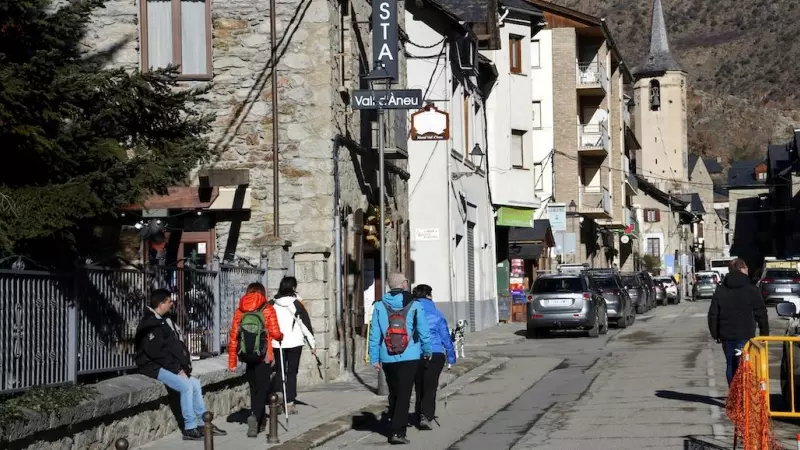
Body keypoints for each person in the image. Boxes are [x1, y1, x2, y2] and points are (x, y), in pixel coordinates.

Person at [135, 289, 227, 440]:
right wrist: (177, 370)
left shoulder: (163, 320)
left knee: (195, 383)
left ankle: (203, 423)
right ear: (161, 303)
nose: (172, 304)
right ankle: (190, 427)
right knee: (186, 386)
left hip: (168, 365)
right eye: (169, 301)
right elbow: (157, 353)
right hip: (153, 367)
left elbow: (172, 347)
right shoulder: (150, 323)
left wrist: (181, 365)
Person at [368, 273, 432, 445]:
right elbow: (424, 330)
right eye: (406, 281)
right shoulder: (414, 304)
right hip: (410, 355)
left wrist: (374, 357)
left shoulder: (380, 305)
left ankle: (395, 421)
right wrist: (427, 350)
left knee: (395, 393)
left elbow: (374, 335)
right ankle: (397, 432)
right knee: (404, 394)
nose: (407, 283)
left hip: (387, 356)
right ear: (403, 285)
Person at [228, 282, 284, 437]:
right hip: (264, 356)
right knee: (263, 388)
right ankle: (255, 417)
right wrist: (281, 337)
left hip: (247, 356)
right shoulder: (267, 308)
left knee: (253, 388)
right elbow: (275, 332)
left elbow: (233, 337)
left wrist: (232, 362)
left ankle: (257, 419)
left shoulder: (240, 310)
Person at [708, 258, 769, 386]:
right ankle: (743, 395)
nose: (748, 270)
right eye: (746, 267)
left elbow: (713, 314)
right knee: (746, 365)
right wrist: (764, 333)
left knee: (731, 364)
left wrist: (715, 333)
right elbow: (761, 313)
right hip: (746, 335)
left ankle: (733, 394)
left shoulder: (721, 289)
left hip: (727, 336)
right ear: (741, 269)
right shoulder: (752, 288)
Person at [411, 284, 456, 430]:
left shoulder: (411, 312)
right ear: (428, 295)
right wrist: (451, 354)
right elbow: (445, 337)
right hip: (435, 354)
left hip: (415, 354)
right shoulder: (437, 314)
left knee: (419, 386)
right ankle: (426, 415)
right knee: (430, 386)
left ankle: (419, 413)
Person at [271, 276, 316, 415]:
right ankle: (290, 402)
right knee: (292, 372)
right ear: (293, 288)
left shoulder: (272, 303)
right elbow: (305, 325)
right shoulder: (297, 303)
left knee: (279, 371)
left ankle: (277, 399)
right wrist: (312, 344)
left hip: (277, 342)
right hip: (295, 342)